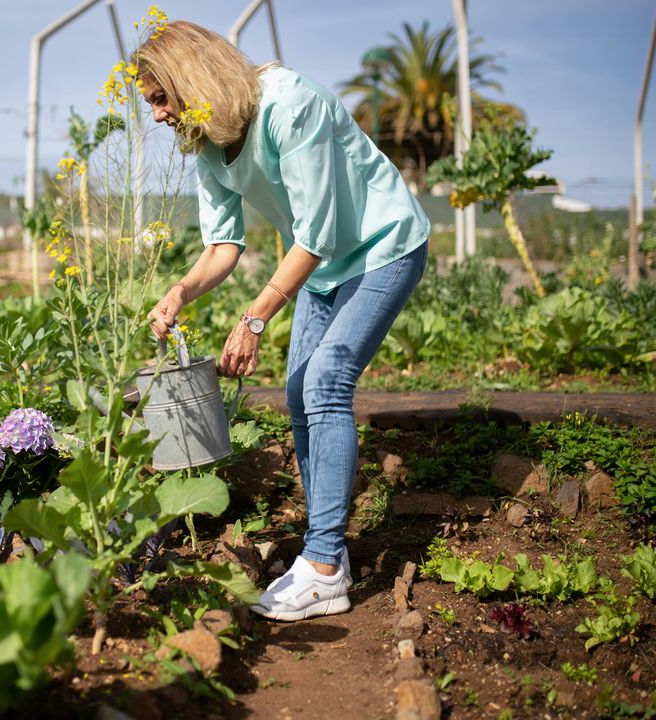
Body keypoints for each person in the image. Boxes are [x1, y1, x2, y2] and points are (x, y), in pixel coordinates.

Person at [139, 21, 429, 621]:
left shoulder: (290, 105)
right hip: (321, 269)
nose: (159, 116)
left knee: (326, 383)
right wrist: (180, 291)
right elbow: (223, 244)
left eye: (161, 99)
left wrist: (255, 318)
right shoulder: (208, 141)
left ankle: (323, 566)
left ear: (190, 80)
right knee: (299, 393)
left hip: (382, 246)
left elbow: (318, 232)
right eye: (152, 106)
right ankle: (330, 555)